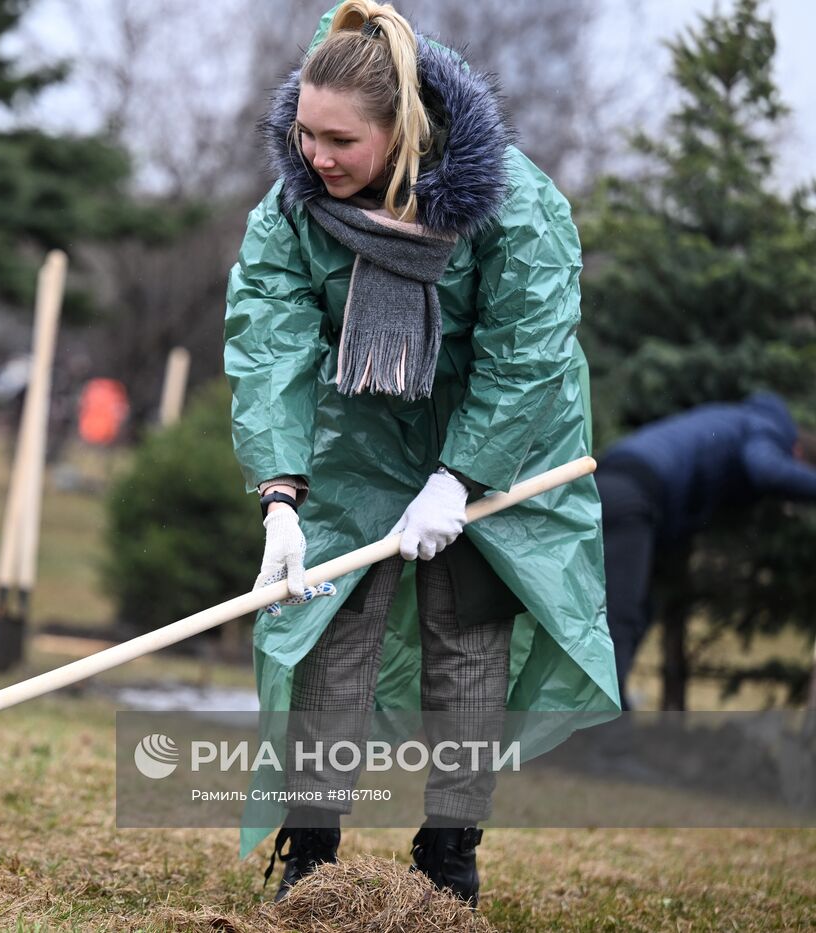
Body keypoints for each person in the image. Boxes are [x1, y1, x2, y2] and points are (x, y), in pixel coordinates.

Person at [224, 1, 616, 907]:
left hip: (505, 434)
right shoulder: (292, 209)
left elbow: (531, 351)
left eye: (340, 140)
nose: (315, 155)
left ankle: (449, 855)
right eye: (302, 131)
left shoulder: (513, 201)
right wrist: (280, 494)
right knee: (325, 618)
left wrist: (462, 476)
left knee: (468, 630)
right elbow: (270, 344)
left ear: (402, 133)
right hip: (363, 424)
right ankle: (311, 847)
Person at [597, 392, 816, 708]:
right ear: (796, 453)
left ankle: (602, 724)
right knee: (621, 617)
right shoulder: (767, 429)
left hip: (615, 485)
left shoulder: (737, 419)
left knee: (634, 610)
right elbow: (767, 470)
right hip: (631, 496)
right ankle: (603, 737)